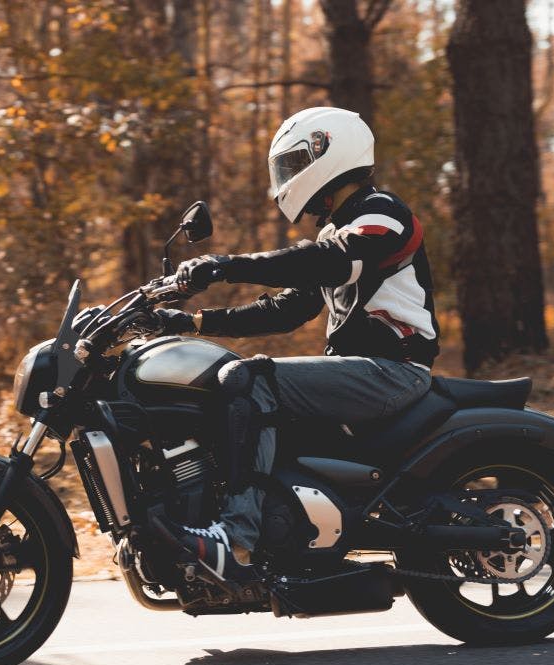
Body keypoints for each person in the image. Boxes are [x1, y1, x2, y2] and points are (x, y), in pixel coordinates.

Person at [155, 106, 440, 581]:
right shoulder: (335, 231)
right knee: (224, 386)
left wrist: (226, 265)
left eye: (291, 165)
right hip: (359, 369)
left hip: (392, 371)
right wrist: (194, 323)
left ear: (328, 153)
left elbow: (329, 259)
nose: (286, 179)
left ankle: (237, 540)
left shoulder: (384, 213)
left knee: (247, 379)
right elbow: (287, 309)